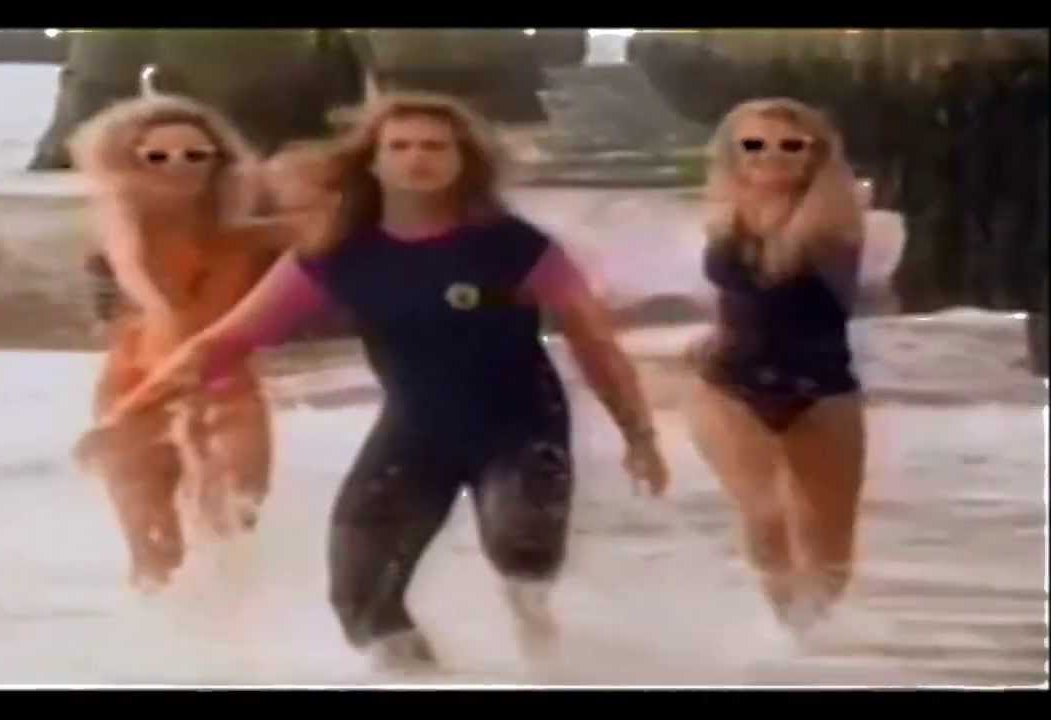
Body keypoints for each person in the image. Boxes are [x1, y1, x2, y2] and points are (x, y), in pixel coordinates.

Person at [101, 93, 670, 668]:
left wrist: (639, 434)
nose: (416, 158)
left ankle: (546, 660)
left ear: (463, 160)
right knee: (361, 601)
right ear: (372, 161)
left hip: (522, 428)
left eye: (434, 146)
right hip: (416, 434)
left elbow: (594, 342)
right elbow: (222, 344)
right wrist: (128, 413)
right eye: (399, 146)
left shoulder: (514, 246)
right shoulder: (337, 254)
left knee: (520, 549)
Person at [66, 94, 290, 592]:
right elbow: (129, 260)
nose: (178, 166)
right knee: (153, 550)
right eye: (157, 156)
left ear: (218, 160)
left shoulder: (244, 220)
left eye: (195, 155)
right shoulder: (123, 210)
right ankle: (151, 637)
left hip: (227, 383)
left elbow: (320, 232)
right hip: (138, 380)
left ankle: (232, 636)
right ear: (129, 160)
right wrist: (159, 307)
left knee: (235, 526)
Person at [683, 98, 867, 634]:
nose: (771, 155)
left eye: (791, 145)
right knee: (763, 513)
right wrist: (714, 334)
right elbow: (742, 299)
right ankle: (784, 631)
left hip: (821, 386)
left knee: (831, 547)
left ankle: (811, 638)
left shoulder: (835, 222)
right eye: (754, 145)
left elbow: (805, 299)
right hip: (730, 383)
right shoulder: (724, 215)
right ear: (733, 153)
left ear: (816, 155)